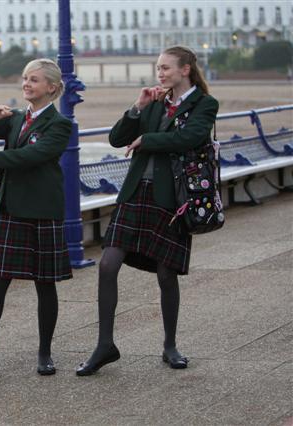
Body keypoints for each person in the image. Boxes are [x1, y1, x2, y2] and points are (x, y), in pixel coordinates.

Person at [76, 46, 219, 376]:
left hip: (173, 199)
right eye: (158, 68)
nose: (160, 73)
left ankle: (170, 345)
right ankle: (105, 346)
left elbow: (191, 138)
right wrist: (137, 107)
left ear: (185, 70)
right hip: (136, 192)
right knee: (108, 264)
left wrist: (148, 140)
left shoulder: (204, 104)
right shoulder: (154, 102)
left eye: (166, 68)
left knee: (166, 274)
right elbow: (116, 139)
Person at [0, 58, 73, 382]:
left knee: (45, 284)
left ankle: (45, 353)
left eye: (34, 80)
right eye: (25, 78)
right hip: (10, 210)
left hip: (42, 211)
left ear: (51, 87)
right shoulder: (14, 119)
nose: (26, 84)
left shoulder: (59, 124)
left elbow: (35, 156)